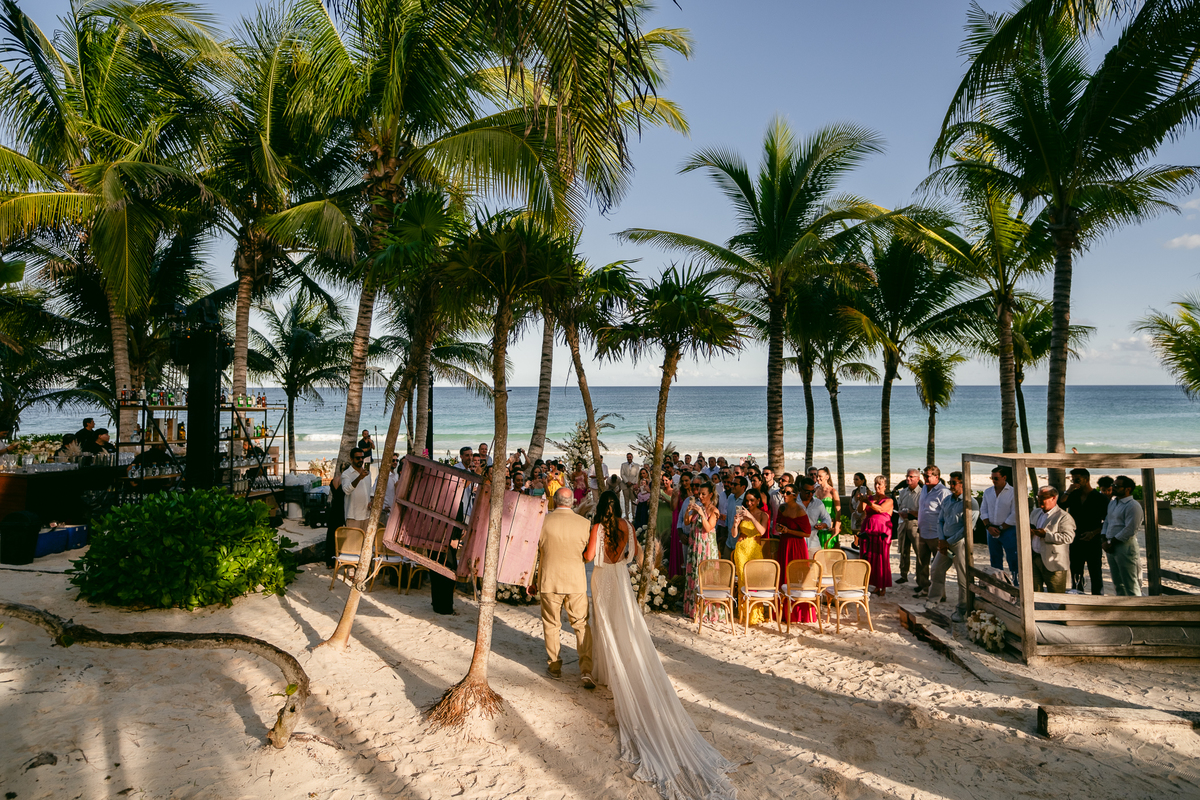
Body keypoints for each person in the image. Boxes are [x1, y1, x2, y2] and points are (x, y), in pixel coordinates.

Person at [585, 490, 738, 799]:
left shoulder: (597, 528)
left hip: (603, 580)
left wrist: (589, 549)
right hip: (622, 580)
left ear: (600, 508)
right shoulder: (626, 526)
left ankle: (610, 676)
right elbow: (639, 556)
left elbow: (589, 557)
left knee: (605, 628)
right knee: (625, 628)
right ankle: (615, 670)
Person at [534, 487, 595, 684]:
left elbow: (534, 553)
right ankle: (586, 669)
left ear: (554, 501)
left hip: (549, 580)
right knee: (581, 625)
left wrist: (530, 580)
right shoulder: (584, 524)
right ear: (573, 503)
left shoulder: (542, 522)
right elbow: (588, 554)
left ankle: (555, 665)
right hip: (575, 580)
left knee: (551, 625)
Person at [928, 472, 976, 619]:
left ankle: (962, 610)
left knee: (962, 577)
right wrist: (942, 540)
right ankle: (932, 602)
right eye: (950, 483)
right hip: (945, 541)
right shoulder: (948, 499)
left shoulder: (970, 503)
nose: (951, 486)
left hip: (959, 543)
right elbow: (940, 520)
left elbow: (967, 529)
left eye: (954, 483)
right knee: (936, 570)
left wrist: (948, 542)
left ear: (963, 484)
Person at [683, 483, 725, 623]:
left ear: (710, 495)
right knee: (694, 575)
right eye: (699, 494)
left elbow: (708, 528)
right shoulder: (698, 508)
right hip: (695, 546)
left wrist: (702, 514)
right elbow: (687, 523)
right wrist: (688, 511)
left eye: (703, 494)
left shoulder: (714, 510)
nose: (700, 496)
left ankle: (708, 610)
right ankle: (693, 609)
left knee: (706, 577)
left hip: (707, 548)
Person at [1064, 468, 1107, 594]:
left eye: (1077, 479)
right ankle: (1078, 595)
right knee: (1076, 572)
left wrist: (1093, 533)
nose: (1074, 482)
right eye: (1072, 479)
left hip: (1093, 540)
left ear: (1086, 479)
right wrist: (1069, 490)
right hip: (1076, 539)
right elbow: (1061, 505)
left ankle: (1097, 599)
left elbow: (1107, 521)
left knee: (1095, 572)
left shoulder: (1100, 498)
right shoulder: (1074, 495)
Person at [774, 484, 814, 623]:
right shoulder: (782, 508)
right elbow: (778, 525)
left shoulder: (800, 510)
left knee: (796, 577)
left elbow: (807, 533)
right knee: (783, 574)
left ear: (795, 495)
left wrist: (788, 531)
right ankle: (783, 612)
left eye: (787, 493)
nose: (784, 494)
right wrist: (780, 528)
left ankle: (798, 613)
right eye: (783, 492)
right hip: (784, 544)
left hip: (796, 546)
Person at [1101, 475, 1144, 596]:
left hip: (1124, 545)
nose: (1113, 488)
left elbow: (1130, 529)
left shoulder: (1133, 505)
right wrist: (1103, 538)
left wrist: (1111, 542)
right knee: (1117, 582)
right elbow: (1107, 521)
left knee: (1130, 581)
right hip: (1110, 544)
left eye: (1116, 486)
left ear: (1127, 489)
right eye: (1113, 485)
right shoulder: (1113, 503)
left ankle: (1136, 608)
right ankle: (1123, 607)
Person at [733, 488, 770, 626]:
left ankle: (755, 613)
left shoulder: (763, 515)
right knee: (742, 580)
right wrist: (736, 524)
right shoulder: (741, 513)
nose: (749, 503)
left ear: (758, 501)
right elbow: (733, 533)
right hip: (741, 550)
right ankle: (743, 612)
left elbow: (762, 531)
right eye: (747, 500)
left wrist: (751, 517)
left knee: (754, 581)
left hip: (755, 550)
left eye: (752, 500)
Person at [913, 466, 951, 598]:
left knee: (938, 566)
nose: (925, 478)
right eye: (924, 475)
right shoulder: (924, 488)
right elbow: (922, 509)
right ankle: (924, 588)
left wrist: (944, 536)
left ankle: (940, 593)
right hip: (923, 531)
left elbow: (947, 514)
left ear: (937, 477)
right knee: (922, 562)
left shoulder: (943, 492)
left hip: (936, 533)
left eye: (928, 476)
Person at [1029, 486, 1076, 593]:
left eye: (1043, 497)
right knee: (1034, 592)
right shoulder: (1035, 513)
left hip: (1053, 561)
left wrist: (1046, 535)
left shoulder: (1063, 517)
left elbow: (1068, 537)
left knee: (1056, 594)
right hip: (1035, 557)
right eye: (1038, 496)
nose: (1039, 499)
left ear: (1053, 498)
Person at [980, 466, 1019, 584]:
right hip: (991, 528)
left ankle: (1016, 582)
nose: (994, 481)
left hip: (1008, 529)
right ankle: (998, 583)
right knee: (995, 558)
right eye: (992, 478)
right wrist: (988, 526)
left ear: (1004, 477)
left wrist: (1001, 527)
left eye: (996, 478)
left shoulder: (1013, 492)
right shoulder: (988, 492)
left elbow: (1014, 513)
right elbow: (983, 510)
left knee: (1013, 558)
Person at [858, 476, 894, 597]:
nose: (877, 486)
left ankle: (882, 586)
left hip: (881, 530)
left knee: (881, 557)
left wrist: (868, 502)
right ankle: (870, 583)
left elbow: (880, 510)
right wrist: (861, 500)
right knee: (867, 555)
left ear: (885, 486)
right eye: (875, 484)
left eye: (880, 484)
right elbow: (860, 510)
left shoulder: (889, 500)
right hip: (868, 528)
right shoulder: (869, 498)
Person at [894, 468, 921, 584]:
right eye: (907, 476)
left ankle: (921, 579)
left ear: (917, 479)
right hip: (903, 523)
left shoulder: (922, 493)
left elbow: (922, 511)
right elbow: (899, 506)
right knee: (903, 550)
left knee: (919, 552)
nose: (908, 479)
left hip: (915, 524)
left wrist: (910, 513)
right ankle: (903, 574)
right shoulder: (903, 492)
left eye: (911, 477)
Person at [340, 448, 373, 535]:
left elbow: (371, 490)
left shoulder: (367, 473)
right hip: (353, 516)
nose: (361, 460)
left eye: (362, 457)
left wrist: (372, 501)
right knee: (353, 546)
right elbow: (346, 490)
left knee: (365, 546)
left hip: (366, 515)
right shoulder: (346, 474)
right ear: (351, 459)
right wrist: (359, 478)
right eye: (358, 458)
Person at [797, 478, 833, 555]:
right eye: (807, 492)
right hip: (797, 544)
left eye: (812, 491)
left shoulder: (818, 503)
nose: (810, 494)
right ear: (800, 489)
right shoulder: (793, 503)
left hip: (814, 544)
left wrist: (823, 525)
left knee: (818, 566)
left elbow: (827, 519)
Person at [720, 475, 747, 561]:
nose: (732, 486)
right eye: (732, 483)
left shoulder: (747, 500)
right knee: (727, 566)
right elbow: (729, 517)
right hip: (729, 541)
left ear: (743, 487)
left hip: (741, 542)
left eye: (735, 484)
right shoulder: (731, 497)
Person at [814, 467, 841, 548]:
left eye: (820, 476)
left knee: (828, 549)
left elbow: (838, 510)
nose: (818, 478)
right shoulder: (816, 489)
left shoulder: (833, 491)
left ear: (827, 477)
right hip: (816, 524)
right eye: (817, 476)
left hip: (829, 524)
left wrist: (836, 526)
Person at [848, 473, 870, 547]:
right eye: (854, 479)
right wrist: (854, 514)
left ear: (862, 480)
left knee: (863, 535)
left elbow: (868, 505)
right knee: (855, 535)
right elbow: (850, 504)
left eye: (857, 479)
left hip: (863, 515)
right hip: (854, 514)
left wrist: (862, 517)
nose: (855, 481)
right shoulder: (854, 492)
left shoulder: (868, 492)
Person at [620, 452, 641, 520]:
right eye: (628, 457)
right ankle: (626, 515)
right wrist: (627, 482)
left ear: (632, 457)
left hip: (633, 485)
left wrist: (632, 483)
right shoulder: (623, 465)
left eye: (630, 457)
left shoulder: (637, 465)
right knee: (626, 500)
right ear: (626, 457)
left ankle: (634, 514)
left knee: (633, 500)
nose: (629, 458)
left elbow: (637, 475)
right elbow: (622, 474)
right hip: (625, 485)